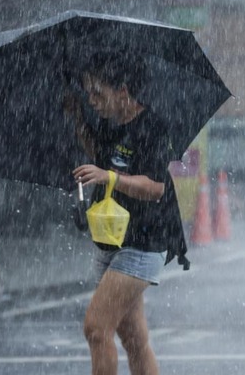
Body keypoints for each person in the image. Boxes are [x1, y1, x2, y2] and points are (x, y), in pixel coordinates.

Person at [67, 50, 177, 375]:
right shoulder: (110, 124)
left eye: (98, 93)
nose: (93, 101)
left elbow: (156, 187)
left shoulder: (152, 126)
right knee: (133, 339)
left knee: (96, 328)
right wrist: (76, 117)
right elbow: (99, 154)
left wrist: (110, 177)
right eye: (88, 94)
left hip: (142, 243)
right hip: (112, 240)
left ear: (123, 92)